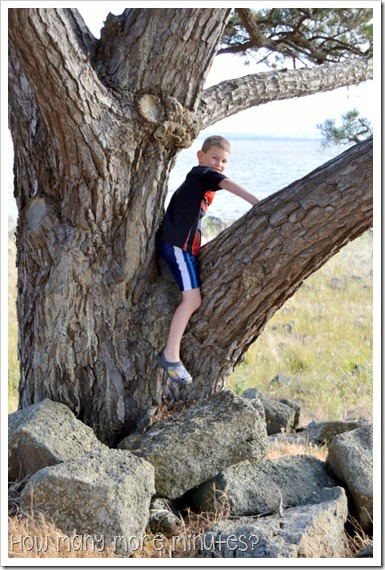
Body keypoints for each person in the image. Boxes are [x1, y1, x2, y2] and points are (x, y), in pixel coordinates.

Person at [156, 135, 260, 384]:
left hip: (181, 246)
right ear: (201, 156)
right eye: (215, 157)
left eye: (224, 161)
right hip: (176, 246)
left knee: (192, 298)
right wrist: (258, 203)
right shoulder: (202, 174)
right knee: (192, 300)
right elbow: (228, 184)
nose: (219, 164)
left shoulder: (198, 179)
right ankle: (170, 354)